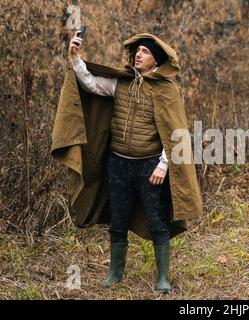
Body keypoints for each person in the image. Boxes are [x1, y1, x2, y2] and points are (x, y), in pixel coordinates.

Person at [68, 30, 175, 293]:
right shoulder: (121, 83)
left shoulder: (166, 91)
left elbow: (176, 132)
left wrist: (163, 165)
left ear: (157, 60)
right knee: (118, 218)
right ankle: (115, 272)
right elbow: (90, 83)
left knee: (156, 220)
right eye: (137, 50)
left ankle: (163, 277)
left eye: (145, 51)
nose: (138, 54)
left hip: (149, 167)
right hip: (118, 164)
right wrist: (74, 57)